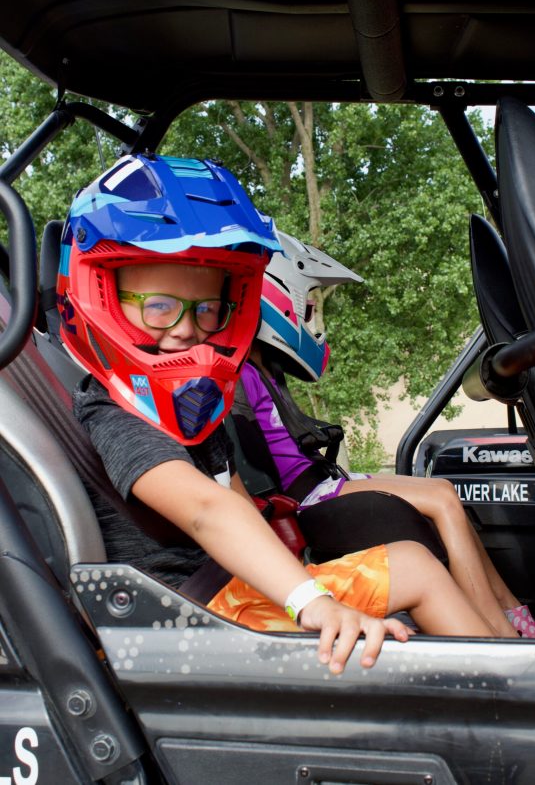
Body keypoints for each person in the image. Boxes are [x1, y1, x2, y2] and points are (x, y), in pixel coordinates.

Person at [59, 154, 505, 678]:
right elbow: (206, 508)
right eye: (158, 305)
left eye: (206, 309)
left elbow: (234, 498)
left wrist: (301, 576)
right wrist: (311, 601)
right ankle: (503, 701)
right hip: (186, 619)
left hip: (231, 592)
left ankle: (515, 667)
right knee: (416, 570)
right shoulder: (114, 410)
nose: (185, 329)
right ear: (99, 294)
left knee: (412, 559)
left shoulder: (191, 409)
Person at [232, 231, 535, 640]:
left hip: (325, 481)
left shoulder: (266, 369)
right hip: (308, 492)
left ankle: (513, 613)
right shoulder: (242, 373)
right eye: (310, 309)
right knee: (440, 497)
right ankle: (499, 636)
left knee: (442, 490)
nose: (315, 322)